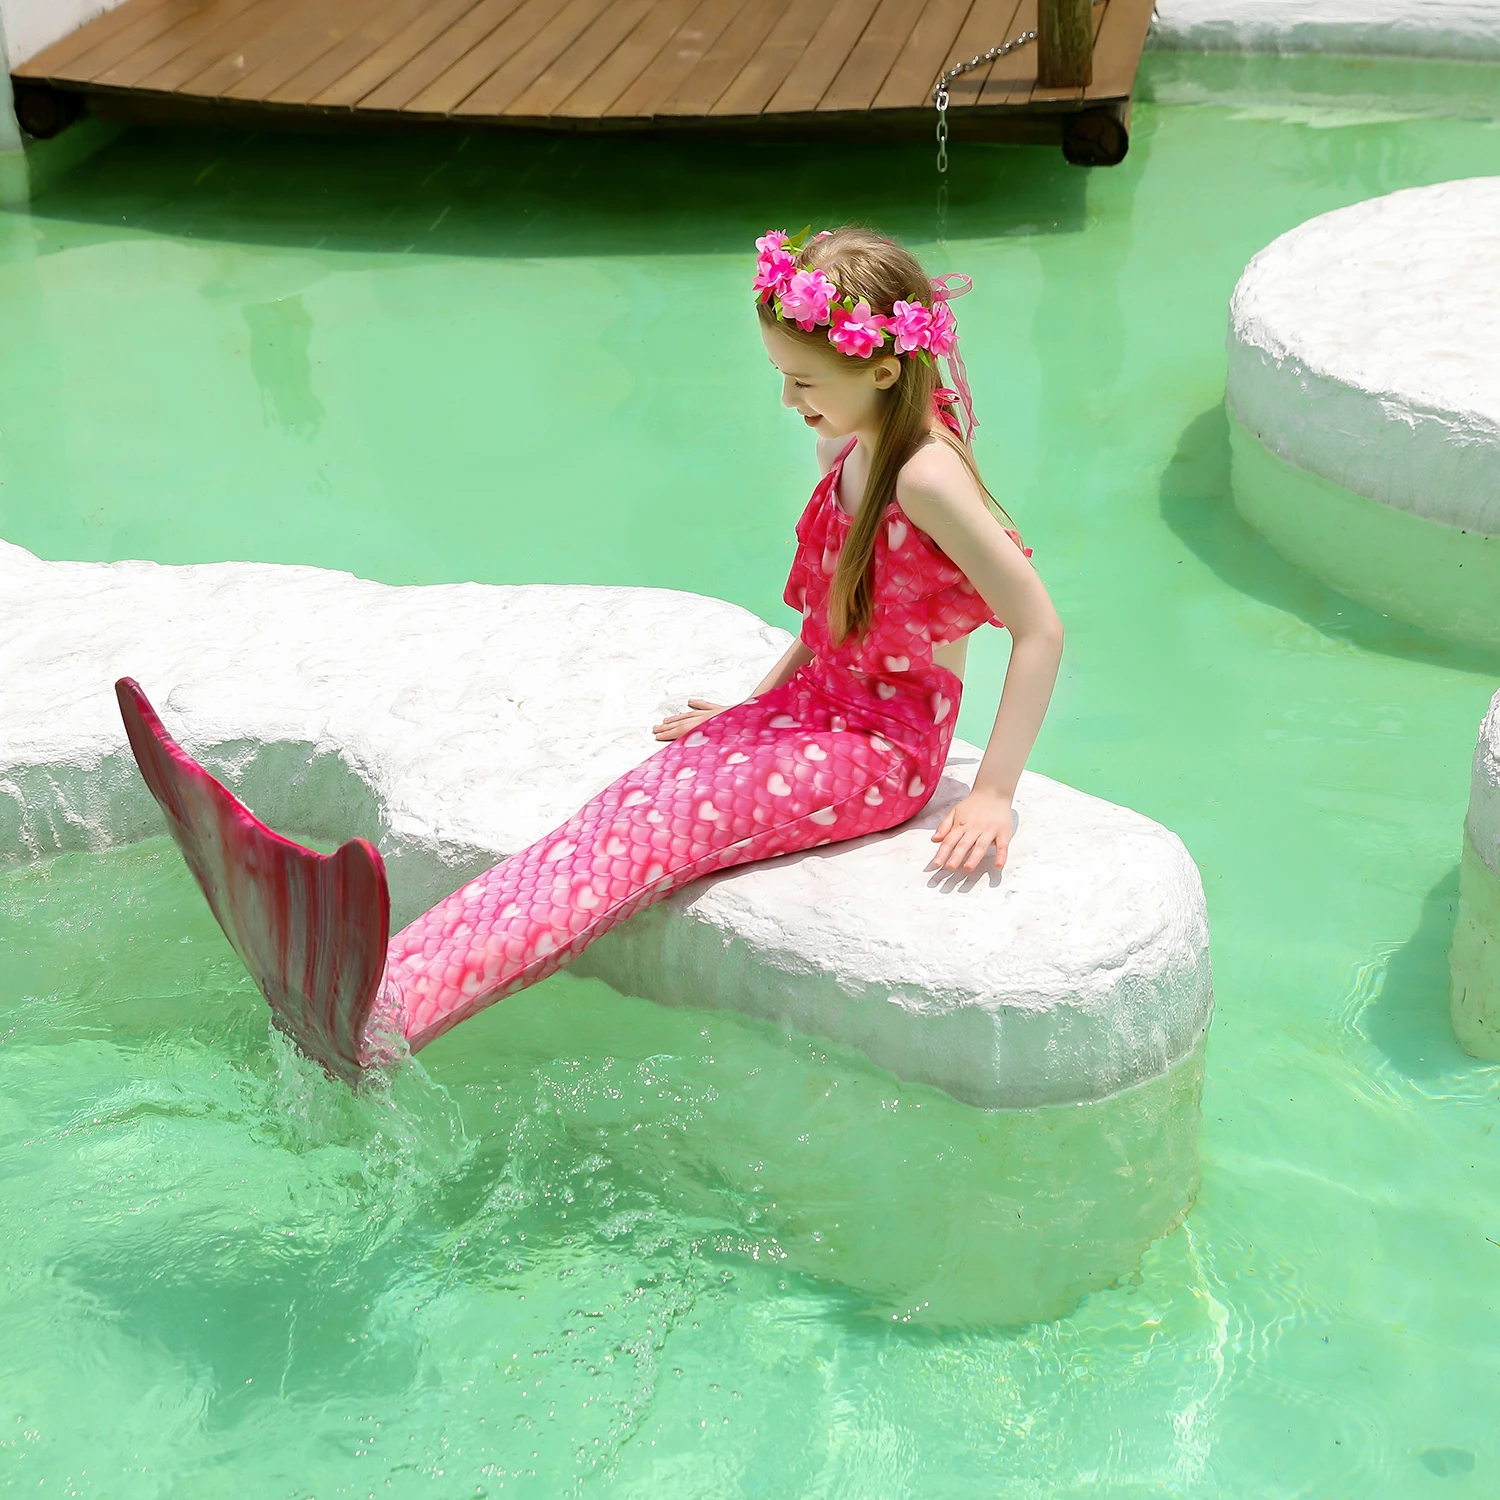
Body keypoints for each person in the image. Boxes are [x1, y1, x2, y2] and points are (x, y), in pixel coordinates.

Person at [118, 224, 1063, 1084]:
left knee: (648, 844)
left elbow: (1040, 629)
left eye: (804, 382)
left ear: (885, 370)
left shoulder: (926, 478)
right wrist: (754, 707)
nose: (787, 400)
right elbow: (835, 616)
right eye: (783, 376)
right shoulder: (849, 448)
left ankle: (391, 1021)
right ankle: (391, 969)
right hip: (812, 713)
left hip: (883, 752)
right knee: (612, 817)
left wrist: (992, 792)